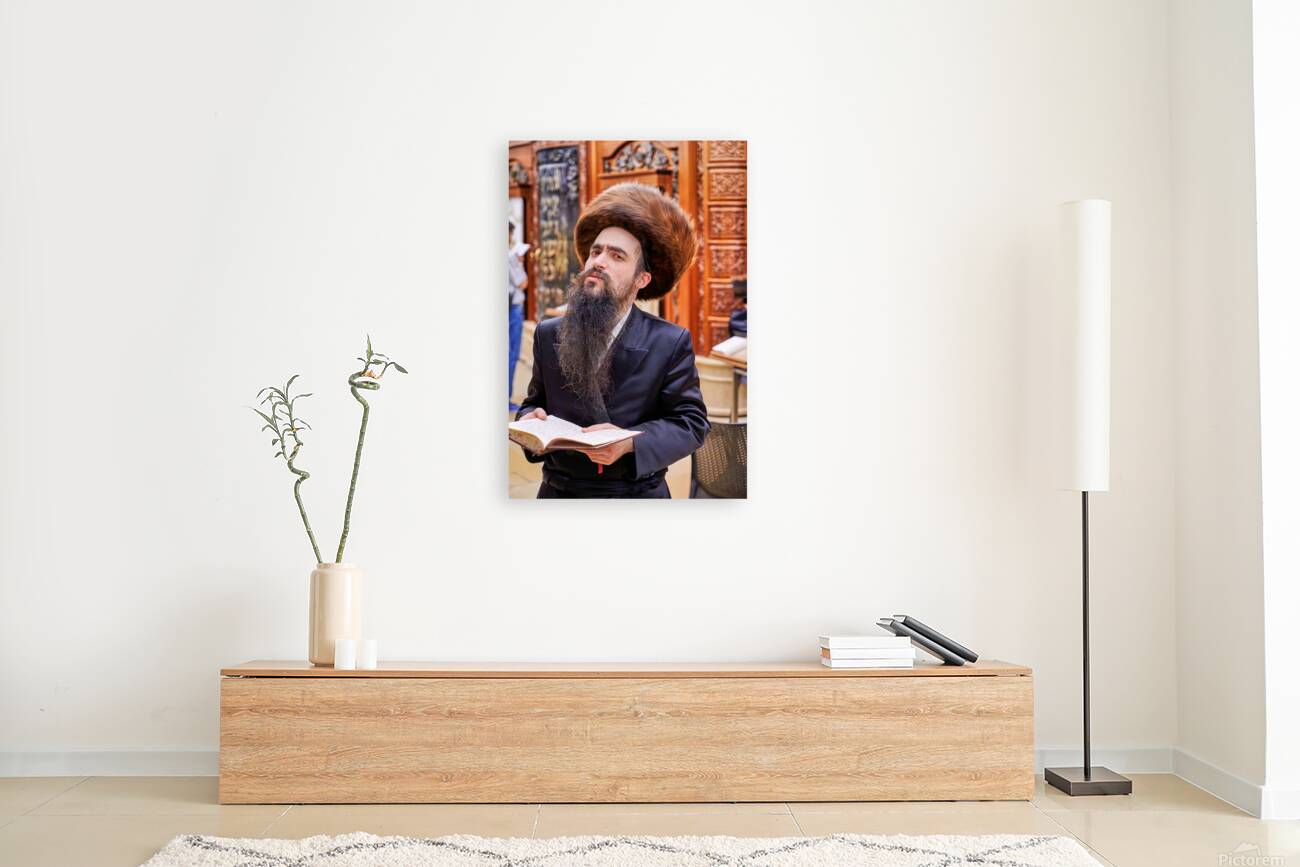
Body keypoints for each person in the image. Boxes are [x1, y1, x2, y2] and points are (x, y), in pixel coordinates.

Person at [514, 183, 709, 498]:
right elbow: (533, 402)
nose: (598, 262)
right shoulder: (548, 332)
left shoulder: (669, 341)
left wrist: (632, 441)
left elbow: (691, 422)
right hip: (559, 493)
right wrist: (528, 419)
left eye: (617, 256)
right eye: (596, 251)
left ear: (641, 279)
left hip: (634, 495)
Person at [507, 220, 529, 411]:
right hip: (512, 309)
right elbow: (522, 282)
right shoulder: (509, 257)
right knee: (511, 353)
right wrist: (520, 264)